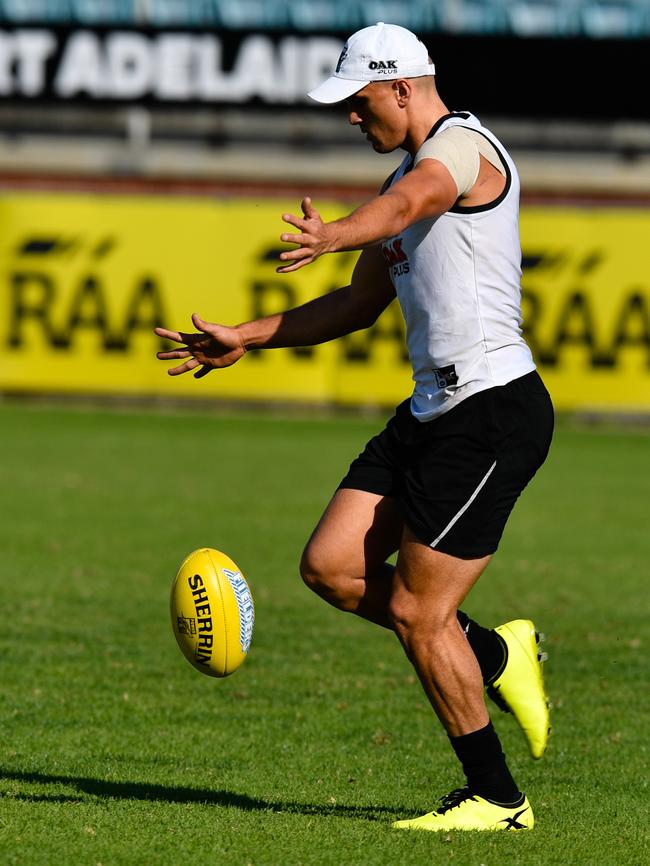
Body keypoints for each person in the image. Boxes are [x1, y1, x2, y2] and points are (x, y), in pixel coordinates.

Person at [155, 22, 553, 833]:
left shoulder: (463, 152)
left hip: (492, 412)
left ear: (403, 87)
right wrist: (245, 337)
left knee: (416, 612)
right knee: (332, 566)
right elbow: (354, 305)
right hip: (431, 410)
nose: (351, 117)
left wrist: (336, 230)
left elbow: (415, 202)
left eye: (359, 100)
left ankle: (498, 800)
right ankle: (497, 656)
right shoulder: (409, 169)